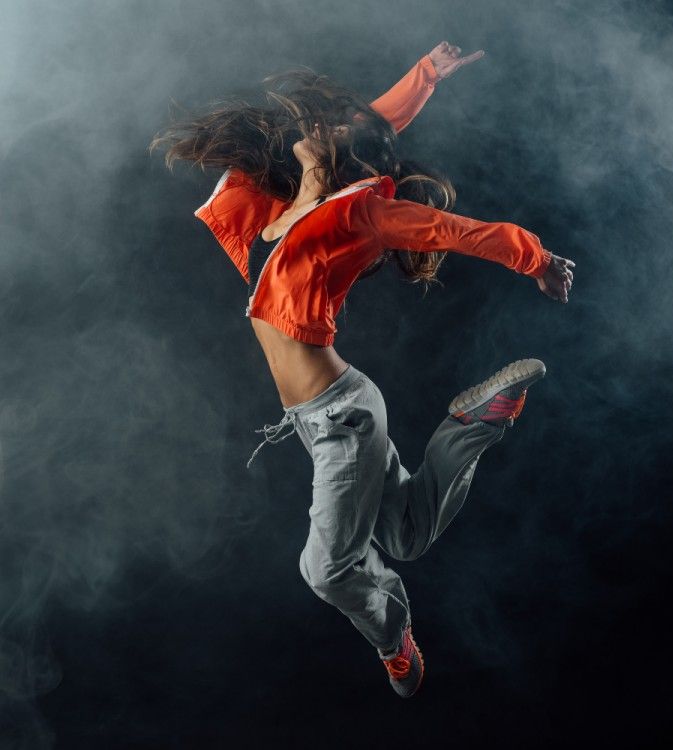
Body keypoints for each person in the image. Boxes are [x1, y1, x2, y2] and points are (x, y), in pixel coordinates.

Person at [149, 41, 575, 698]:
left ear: (341, 153)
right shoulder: (272, 206)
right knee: (404, 534)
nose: (315, 128)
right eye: (321, 123)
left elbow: (451, 230)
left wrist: (536, 259)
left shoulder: (361, 213)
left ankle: (393, 637)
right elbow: (372, 124)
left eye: (328, 128)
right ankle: (471, 426)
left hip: (341, 417)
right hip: (335, 412)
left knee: (327, 571)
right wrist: (425, 75)